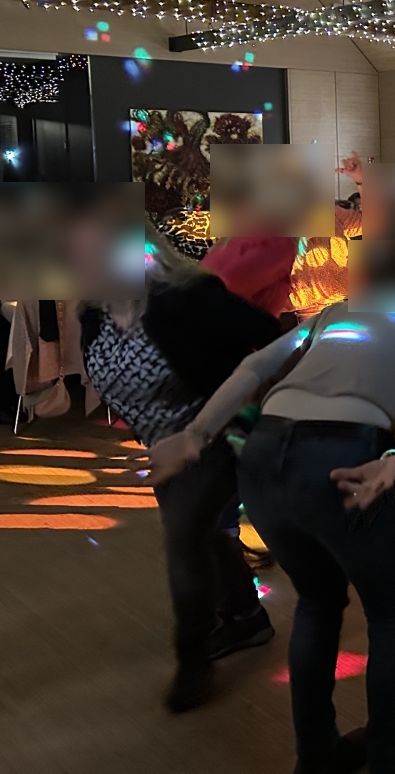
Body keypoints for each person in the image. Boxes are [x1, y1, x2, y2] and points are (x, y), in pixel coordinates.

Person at [146, 241, 395, 774]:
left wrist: (197, 433)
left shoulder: (336, 314)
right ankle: (389, 763)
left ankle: (317, 756)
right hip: (344, 457)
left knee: (318, 602)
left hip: (264, 459)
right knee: (391, 613)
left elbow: (255, 367)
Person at [80, 226, 279, 712]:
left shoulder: (186, 297)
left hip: (217, 434)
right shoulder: (93, 313)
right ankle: (247, 617)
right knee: (199, 532)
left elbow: (273, 337)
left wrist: (247, 401)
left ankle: (193, 658)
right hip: (162, 445)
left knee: (185, 538)